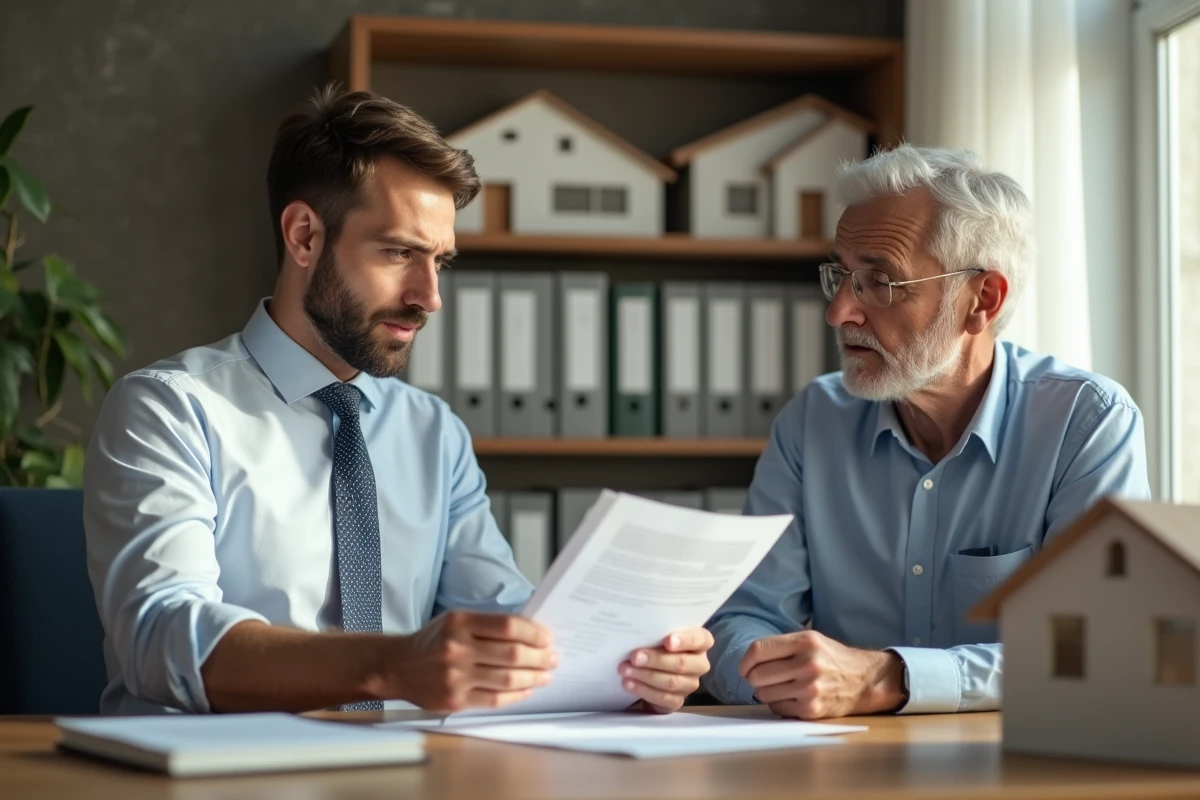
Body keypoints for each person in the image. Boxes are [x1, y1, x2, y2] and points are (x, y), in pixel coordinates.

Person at [84, 87, 712, 715]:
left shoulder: (432, 431)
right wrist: (391, 666)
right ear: (304, 236)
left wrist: (629, 668)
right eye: (399, 253)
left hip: (409, 773)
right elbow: (162, 636)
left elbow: (503, 620)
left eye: (440, 261)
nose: (429, 296)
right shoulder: (168, 410)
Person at [702, 144, 1149, 719]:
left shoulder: (1085, 424)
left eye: (880, 282)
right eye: (840, 275)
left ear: (981, 301)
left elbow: (1094, 646)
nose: (840, 312)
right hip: (836, 764)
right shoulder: (814, 420)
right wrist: (771, 675)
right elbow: (745, 616)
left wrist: (890, 679)